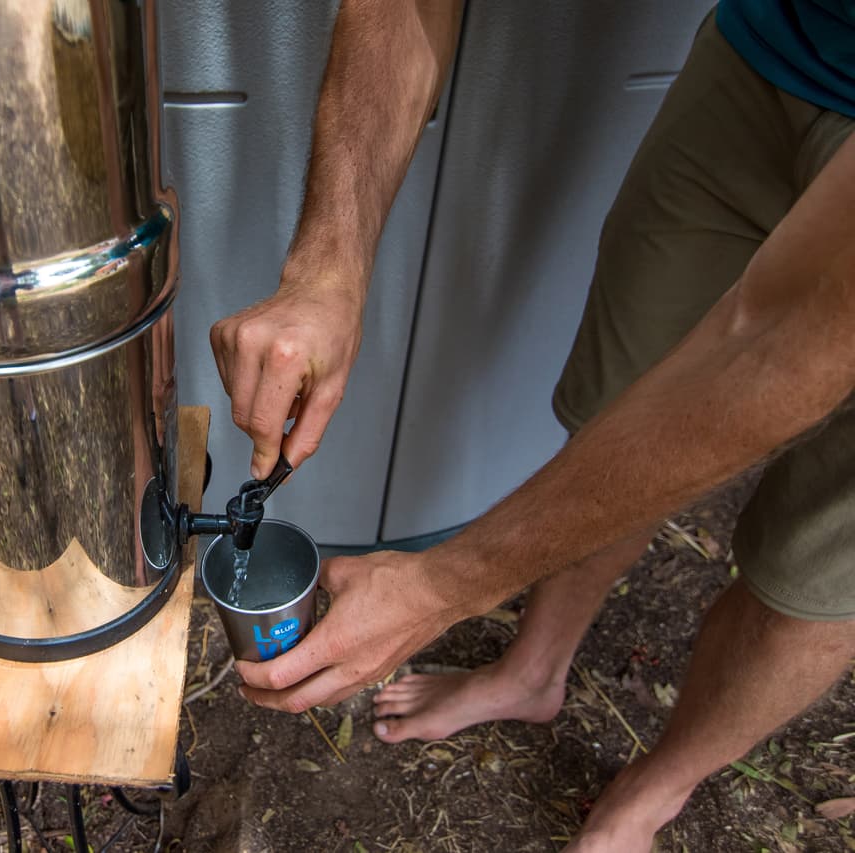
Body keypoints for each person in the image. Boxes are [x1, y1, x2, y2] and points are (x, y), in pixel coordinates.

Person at [208, 1, 855, 850]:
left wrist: (443, 588)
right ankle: (531, 670)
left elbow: (776, 351)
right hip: (774, 47)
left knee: (820, 562)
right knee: (617, 411)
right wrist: (326, 269)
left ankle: (658, 786)